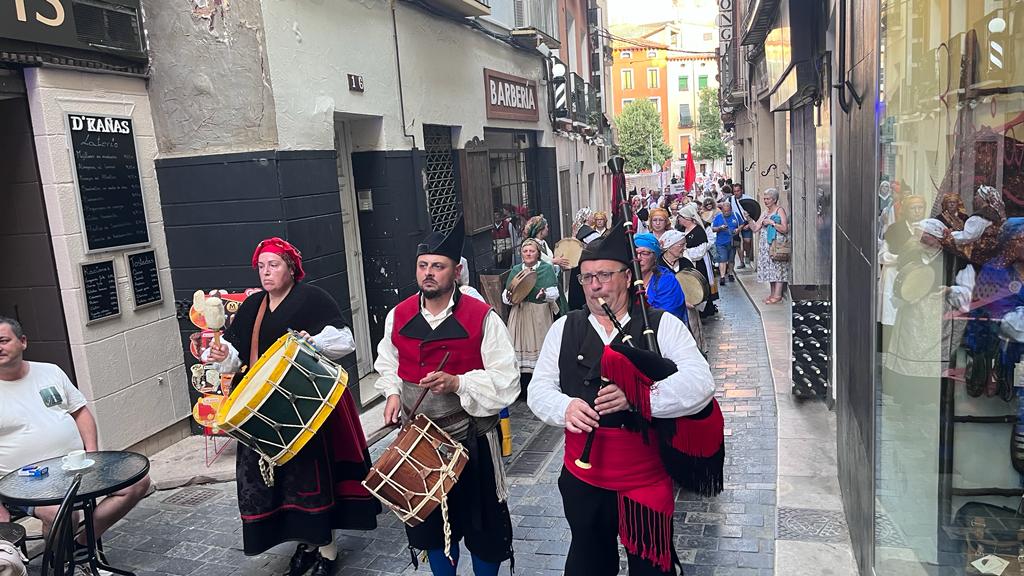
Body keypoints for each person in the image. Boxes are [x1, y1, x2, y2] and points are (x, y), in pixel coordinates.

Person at [526, 223, 716, 575]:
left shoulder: (660, 325)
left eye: (604, 275)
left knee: (650, 568)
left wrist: (639, 398)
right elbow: (539, 390)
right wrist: (564, 407)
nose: (594, 285)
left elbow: (700, 383)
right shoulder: (564, 328)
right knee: (589, 564)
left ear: (627, 278)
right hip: (584, 476)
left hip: (644, 477)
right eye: (586, 278)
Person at [207, 237, 378, 575]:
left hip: (302, 409)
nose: (266, 272)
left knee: (309, 480)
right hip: (261, 411)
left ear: (291, 268)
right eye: (261, 267)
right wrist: (223, 355)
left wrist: (314, 342)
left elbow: (345, 340)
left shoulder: (312, 298)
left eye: (273, 265)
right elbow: (236, 353)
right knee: (274, 483)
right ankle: (305, 542)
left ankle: (326, 550)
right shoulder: (253, 306)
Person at [374, 218, 519, 576]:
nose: (428, 273)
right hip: (418, 445)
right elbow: (388, 360)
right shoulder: (399, 314)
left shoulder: (482, 317)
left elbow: (507, 381)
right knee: (434, 532)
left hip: (471, 442)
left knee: (484, 531)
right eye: (423, 266)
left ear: (455, 272)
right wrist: (392, 393)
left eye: (437, 266)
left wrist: (458, 384)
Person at [0, 316, 152, 547]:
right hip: (22, 481)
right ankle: (62, 563)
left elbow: (80, 412)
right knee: (62, 513)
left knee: (138, 483)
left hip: (73, 468)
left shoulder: (50, 372)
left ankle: (80, 546)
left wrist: (92, 454)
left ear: (23, 341)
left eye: (3, 340)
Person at [504, 239, 560, 397]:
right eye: (525, 251)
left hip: (539, 314)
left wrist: (545, 294)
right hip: (520, 314)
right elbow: (505, 295)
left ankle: (541, 388)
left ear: (538, 253)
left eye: (532, 251)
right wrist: (510, 296)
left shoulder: (546, 269)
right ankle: (522, 389)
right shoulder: (516, 270)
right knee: (519, 346)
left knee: (540, 347)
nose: (528, 254)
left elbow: (554, 293)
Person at [673, 204, 719, 317]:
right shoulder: (681, 229)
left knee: (699, 284)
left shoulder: (699, 231)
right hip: (685, 263)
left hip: (699, 263)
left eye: (681, 217)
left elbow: (700, 250)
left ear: (688, 218)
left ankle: (704, 309)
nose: (678, 219)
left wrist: (684, 252)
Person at [633, 233, 688, 324]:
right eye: (635, 253)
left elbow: (668, 316)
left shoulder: (667, 281)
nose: (638, 258)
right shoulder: (626, 279)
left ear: (655, 257)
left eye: (645, 253)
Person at [748, 187, 791, 304]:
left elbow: (784, 228)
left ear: (774, 199)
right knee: (770, 270)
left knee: (778, 269)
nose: (765, 201)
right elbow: (756, 228)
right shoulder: (765, 212)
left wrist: (772, 222)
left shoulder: (779, 211)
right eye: (764, 199)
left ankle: (777, 295)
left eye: (768, 199)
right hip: (766, 246)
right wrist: (748, 218)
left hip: (776, 245)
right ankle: (772, 294)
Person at [711, 200, 741, 284]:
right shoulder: (718, 217)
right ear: (722, 210)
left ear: (731, 210)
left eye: (728, 211)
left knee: (731, 259)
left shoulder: (735, 215)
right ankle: (722, 277)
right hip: (721, 243)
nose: (726, 213)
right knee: (722, 259)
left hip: (732, 242)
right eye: (725, 211)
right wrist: (720, 228)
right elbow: (713, 229)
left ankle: (730, 273)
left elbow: (741, 224)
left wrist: (738, 229)